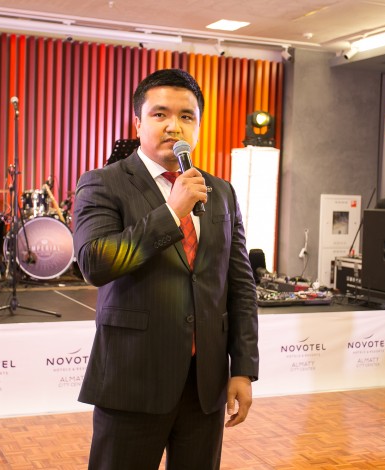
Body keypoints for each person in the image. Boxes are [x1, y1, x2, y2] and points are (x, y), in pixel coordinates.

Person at [72, 68, 259, 470]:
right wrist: (172, 213)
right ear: (138, 123)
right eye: (160, 114)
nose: (174, 126)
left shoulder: (221, 192)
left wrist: (243, 369)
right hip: (132, 381)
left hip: (204, 385)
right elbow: (95, 263)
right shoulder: (103, 183)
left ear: (198, 126)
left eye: (186, 116)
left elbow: (240, 286)